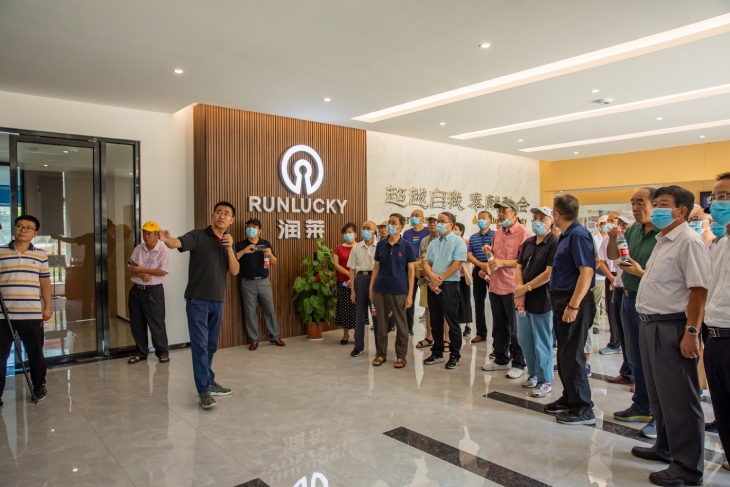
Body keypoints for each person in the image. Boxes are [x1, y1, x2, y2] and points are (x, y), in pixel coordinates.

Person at [629, 186, 710, 487]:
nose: (656, 209)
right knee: (660, 394)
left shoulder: (689, 241)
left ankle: (687, 467)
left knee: (680, 399)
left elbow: (698, 290)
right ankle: (664, 447)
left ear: (681, 211)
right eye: (657, 204)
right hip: (651, 325)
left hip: (673, 327)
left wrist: (692, 332)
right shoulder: (664, 240)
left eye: (663, 204)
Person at [159, 201, 240, 409]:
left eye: (226, 214)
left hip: (217, 300)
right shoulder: (198, 235)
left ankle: (209, 382)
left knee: (211, 345)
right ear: (213, 215)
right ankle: (204, 390)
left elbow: (234, 270)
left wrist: (230, 248)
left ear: (231, 220)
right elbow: (177, 243)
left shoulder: (228, 242)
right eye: (218, 212)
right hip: (197, 300)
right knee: (200, 346)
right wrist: (168, 240)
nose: (222, 216)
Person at [606, 188, 659, 438]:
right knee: (635, 356)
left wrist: (639, 273)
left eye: (641, 202)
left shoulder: (664, 234)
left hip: (651, 302)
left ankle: (659, 416)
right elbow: (613, 257)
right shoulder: (633, 230)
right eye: (633, 203)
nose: (635, 208)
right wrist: (614, 239)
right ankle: (641, 406)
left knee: (655, 361)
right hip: (628, 298)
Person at [544, 194, 596, 425]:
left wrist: (573, 305)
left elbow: (587, 272)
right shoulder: (566, 234)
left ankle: (583, 408)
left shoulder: (578, 235)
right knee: (565, 353)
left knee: (573, 355)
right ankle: (570, 397)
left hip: (574, 300)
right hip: (561, 299)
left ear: (556, 214)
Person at [0, 215, 51, 405]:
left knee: (35, 353)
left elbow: (45, 282)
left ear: (35, 233)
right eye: (20, 226)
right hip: (3, 315)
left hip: (31, 313)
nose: (23, 230)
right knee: (0, 356)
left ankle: (39, 386)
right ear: (14, 229)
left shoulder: (40, 254)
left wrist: (47, 307)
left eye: (28, 227)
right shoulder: (1, 252)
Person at [481, 198, 531, 379]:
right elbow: (495, 257)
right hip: (495, 285)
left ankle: (518, 363)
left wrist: (503, 262)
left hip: (512, 287)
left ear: (515, 213)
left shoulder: (524, 234)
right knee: (499, 326)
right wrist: (489, 251)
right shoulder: (497, 233)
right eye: (499, 212)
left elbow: (526, 261)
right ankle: (501, 359)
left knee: (516, 328)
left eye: (504, 211)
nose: (500, 215)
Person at [514, 207, 558, 398]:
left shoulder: (554, 243)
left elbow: (548, 274)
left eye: (542, 218)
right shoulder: (529, 242)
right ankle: (533, 374)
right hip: (523, 297)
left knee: (542, 341)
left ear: (551, 221)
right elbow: (519, 267)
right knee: (525, 339)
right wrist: (520, 290)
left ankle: (545, 379)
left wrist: (525, 288)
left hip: (542, 298)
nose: (537, 221)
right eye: (535, 218)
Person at [703, 172, 730, 475]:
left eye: (725, 196)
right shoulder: (721, 244)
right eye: (715, 197)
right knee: (722, 407)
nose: (718, 203)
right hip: (715, 336)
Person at [369, 213, 416, 368]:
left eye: (393, 223)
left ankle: (401, 356)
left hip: (399, 290)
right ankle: (380, 354)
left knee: (401, 324)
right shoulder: (381, 245)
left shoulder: (407, 246)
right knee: (380, 323)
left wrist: (410, 294)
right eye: (389, 222)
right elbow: (376, 267)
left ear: (401, 227)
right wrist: (371, 287)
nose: (389, 225)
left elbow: (411, 272)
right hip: (380, 288)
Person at [423, 211, 467, 370]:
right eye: (437, 221)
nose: (438, 224)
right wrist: (432, 276)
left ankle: (455, 355)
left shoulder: (458, 242)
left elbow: (457, 264)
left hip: (449, 285)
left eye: (442, 221)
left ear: (451, 224)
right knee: (435, 320)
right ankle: (437, 351)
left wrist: (439, 278)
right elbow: (427, 262)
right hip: (433, 284)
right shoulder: (433, 242)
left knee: (452, 320)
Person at [234, 218, 285, 351]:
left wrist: (269, 254)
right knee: (250, 312)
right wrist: (244, 251)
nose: (251, 229)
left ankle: (274, 336)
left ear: (259, 231)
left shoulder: (265, 243)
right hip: (247, 282)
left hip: (264, 282)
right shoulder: (240, 245)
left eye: (254, 227)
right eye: (249, 227)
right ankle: (254, 340)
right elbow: (233, 259)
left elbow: (273, 263)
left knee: (269, 310)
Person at [126, 221, 170, 364]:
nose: (146, 236)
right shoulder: (138, 248)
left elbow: (162, 271)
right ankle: (140, 353)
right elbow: (130, 267)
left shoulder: (163, 250)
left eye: (149, 233)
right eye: (144, 233)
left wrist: (142, 269)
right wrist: (140, 274)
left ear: (156, 235)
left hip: (154, 291)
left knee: (156, 323)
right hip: (137, 290)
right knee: (137, 323)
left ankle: (162, 352)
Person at [604, 211, 636, 386]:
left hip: (632, 291)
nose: (621, 228)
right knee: (624, 335)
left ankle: (638, 377)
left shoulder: (636, 242)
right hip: (619, 288)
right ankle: (627, 371)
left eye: (625, 225)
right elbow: (611, 256)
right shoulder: (619, 239)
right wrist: (612, 238)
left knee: (634, 338)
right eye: (620, 224)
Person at [347, 221, 378, 357]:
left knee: (376, 316)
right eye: (363, 228)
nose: (365, 230)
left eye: (368, 228)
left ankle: (380, 348)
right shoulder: (356, 247)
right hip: (360, 279)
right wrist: (352, 290)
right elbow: (352, 269)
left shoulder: (380, 246)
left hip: (375, 281)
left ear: (375, 231)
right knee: (359, 316)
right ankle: (358, 347)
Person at [467, 210, 496, 344]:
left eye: (483, 218)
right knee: (478, 303)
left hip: (493, 271)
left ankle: (497, 334)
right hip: (478, 270)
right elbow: (469, 255)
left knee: (495, 303)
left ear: (490, 221)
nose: (480, 220)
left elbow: (498, 254)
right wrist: (481, 266)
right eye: (479, 218)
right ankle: (480, 333)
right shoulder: (473, 237)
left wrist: (487, 268)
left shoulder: (495, 235)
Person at [597, 211, 621, 354]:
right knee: (611, 311)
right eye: (608, 221)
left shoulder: (626, 238)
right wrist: (611, 278)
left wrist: (618, 279)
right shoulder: (606, 240)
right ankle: (615, 342)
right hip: (610, 276)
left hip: (623, 276)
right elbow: (602, 261)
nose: (609, 224)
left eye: (612, 220)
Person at [403, 209, 430, 336]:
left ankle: (431, 331)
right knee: (409, 298)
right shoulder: (407, 233)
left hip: (425, 271)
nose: (414, 217)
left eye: (417, 215)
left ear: (422, 218)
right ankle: (408, 328)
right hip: (410, 271)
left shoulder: (428, 231)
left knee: (428, 300)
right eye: (412, 215)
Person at [415, 215, 439, 349]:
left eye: (435, 222)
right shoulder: (424, 240)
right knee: (428, 308)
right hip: (425, 279)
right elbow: (421, 260)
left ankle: (444, 339)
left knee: (443, 309)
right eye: (430, 222)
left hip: (441, 279)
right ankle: (429, 337)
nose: (432, 224)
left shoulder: (445, 239)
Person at [334, 222, 358, 344]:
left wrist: (353, 277)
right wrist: (349, 274)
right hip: (342, 282)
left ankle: (357, 334)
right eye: (345, 233)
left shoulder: (359, 247)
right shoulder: (338, 248)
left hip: (357, 282)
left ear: (355, 234)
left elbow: (362, 264)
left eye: (349, 232)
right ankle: (345, 334)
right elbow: (336, 264)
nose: (347, 235)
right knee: (344, 308)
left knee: (356, 308)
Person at [454, 223, 474, 336]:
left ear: (461, 231)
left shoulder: (467, 243)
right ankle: (454, 324)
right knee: (454, 301)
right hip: (452, 276)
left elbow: (470, 257)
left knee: (466, 300)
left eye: (455, 229)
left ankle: (468, 325)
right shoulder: (450, 242)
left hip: (464, 275)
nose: (453, 231)